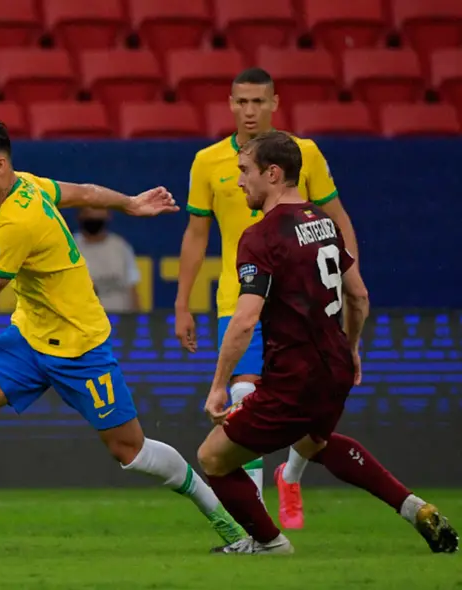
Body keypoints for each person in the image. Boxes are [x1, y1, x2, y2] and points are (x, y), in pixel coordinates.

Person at [0, 115, 248, 557]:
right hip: (30, 338)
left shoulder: (16, 221)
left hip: (79, 346)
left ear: (0, 166)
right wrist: (129, 203)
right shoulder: (27, 184)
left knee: (131, 450)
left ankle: (225, 519)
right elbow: (85, 193)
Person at [196, 131, 458, 555]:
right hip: (332, 368)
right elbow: (359, 296)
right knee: (313, 443)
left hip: (292, 377)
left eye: (245, 171)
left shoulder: (260, 237)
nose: (240, 181)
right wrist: (351, 349)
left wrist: (219, 384)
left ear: (273, 173)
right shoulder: (324, 222)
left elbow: (244, 321)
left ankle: (268, 543)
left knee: (212, 457)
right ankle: (413, 508)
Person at [175, 67, 361, 529]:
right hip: (238, 303)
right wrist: (182, 303)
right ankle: (256, 524)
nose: (250, 110)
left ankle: (290, 475)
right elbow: (196, 236)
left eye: (259, 101)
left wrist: (345, 276)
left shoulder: (304, 154)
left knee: (312, 412)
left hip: (303, 303)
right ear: (230, 104)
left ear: (275, 103)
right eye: (241, 102)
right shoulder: (207, 162)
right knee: (244, 397)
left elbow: (336, 217)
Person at [74, 208, 142, 312]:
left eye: (98, 216)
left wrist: (135, 317)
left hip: (119, 319)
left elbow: (132, 286)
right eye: (90, 215)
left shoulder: (120, 246)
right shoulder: (69, 247)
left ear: (108, 216)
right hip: (82, 320)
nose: (94, 219)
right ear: (79, 216)